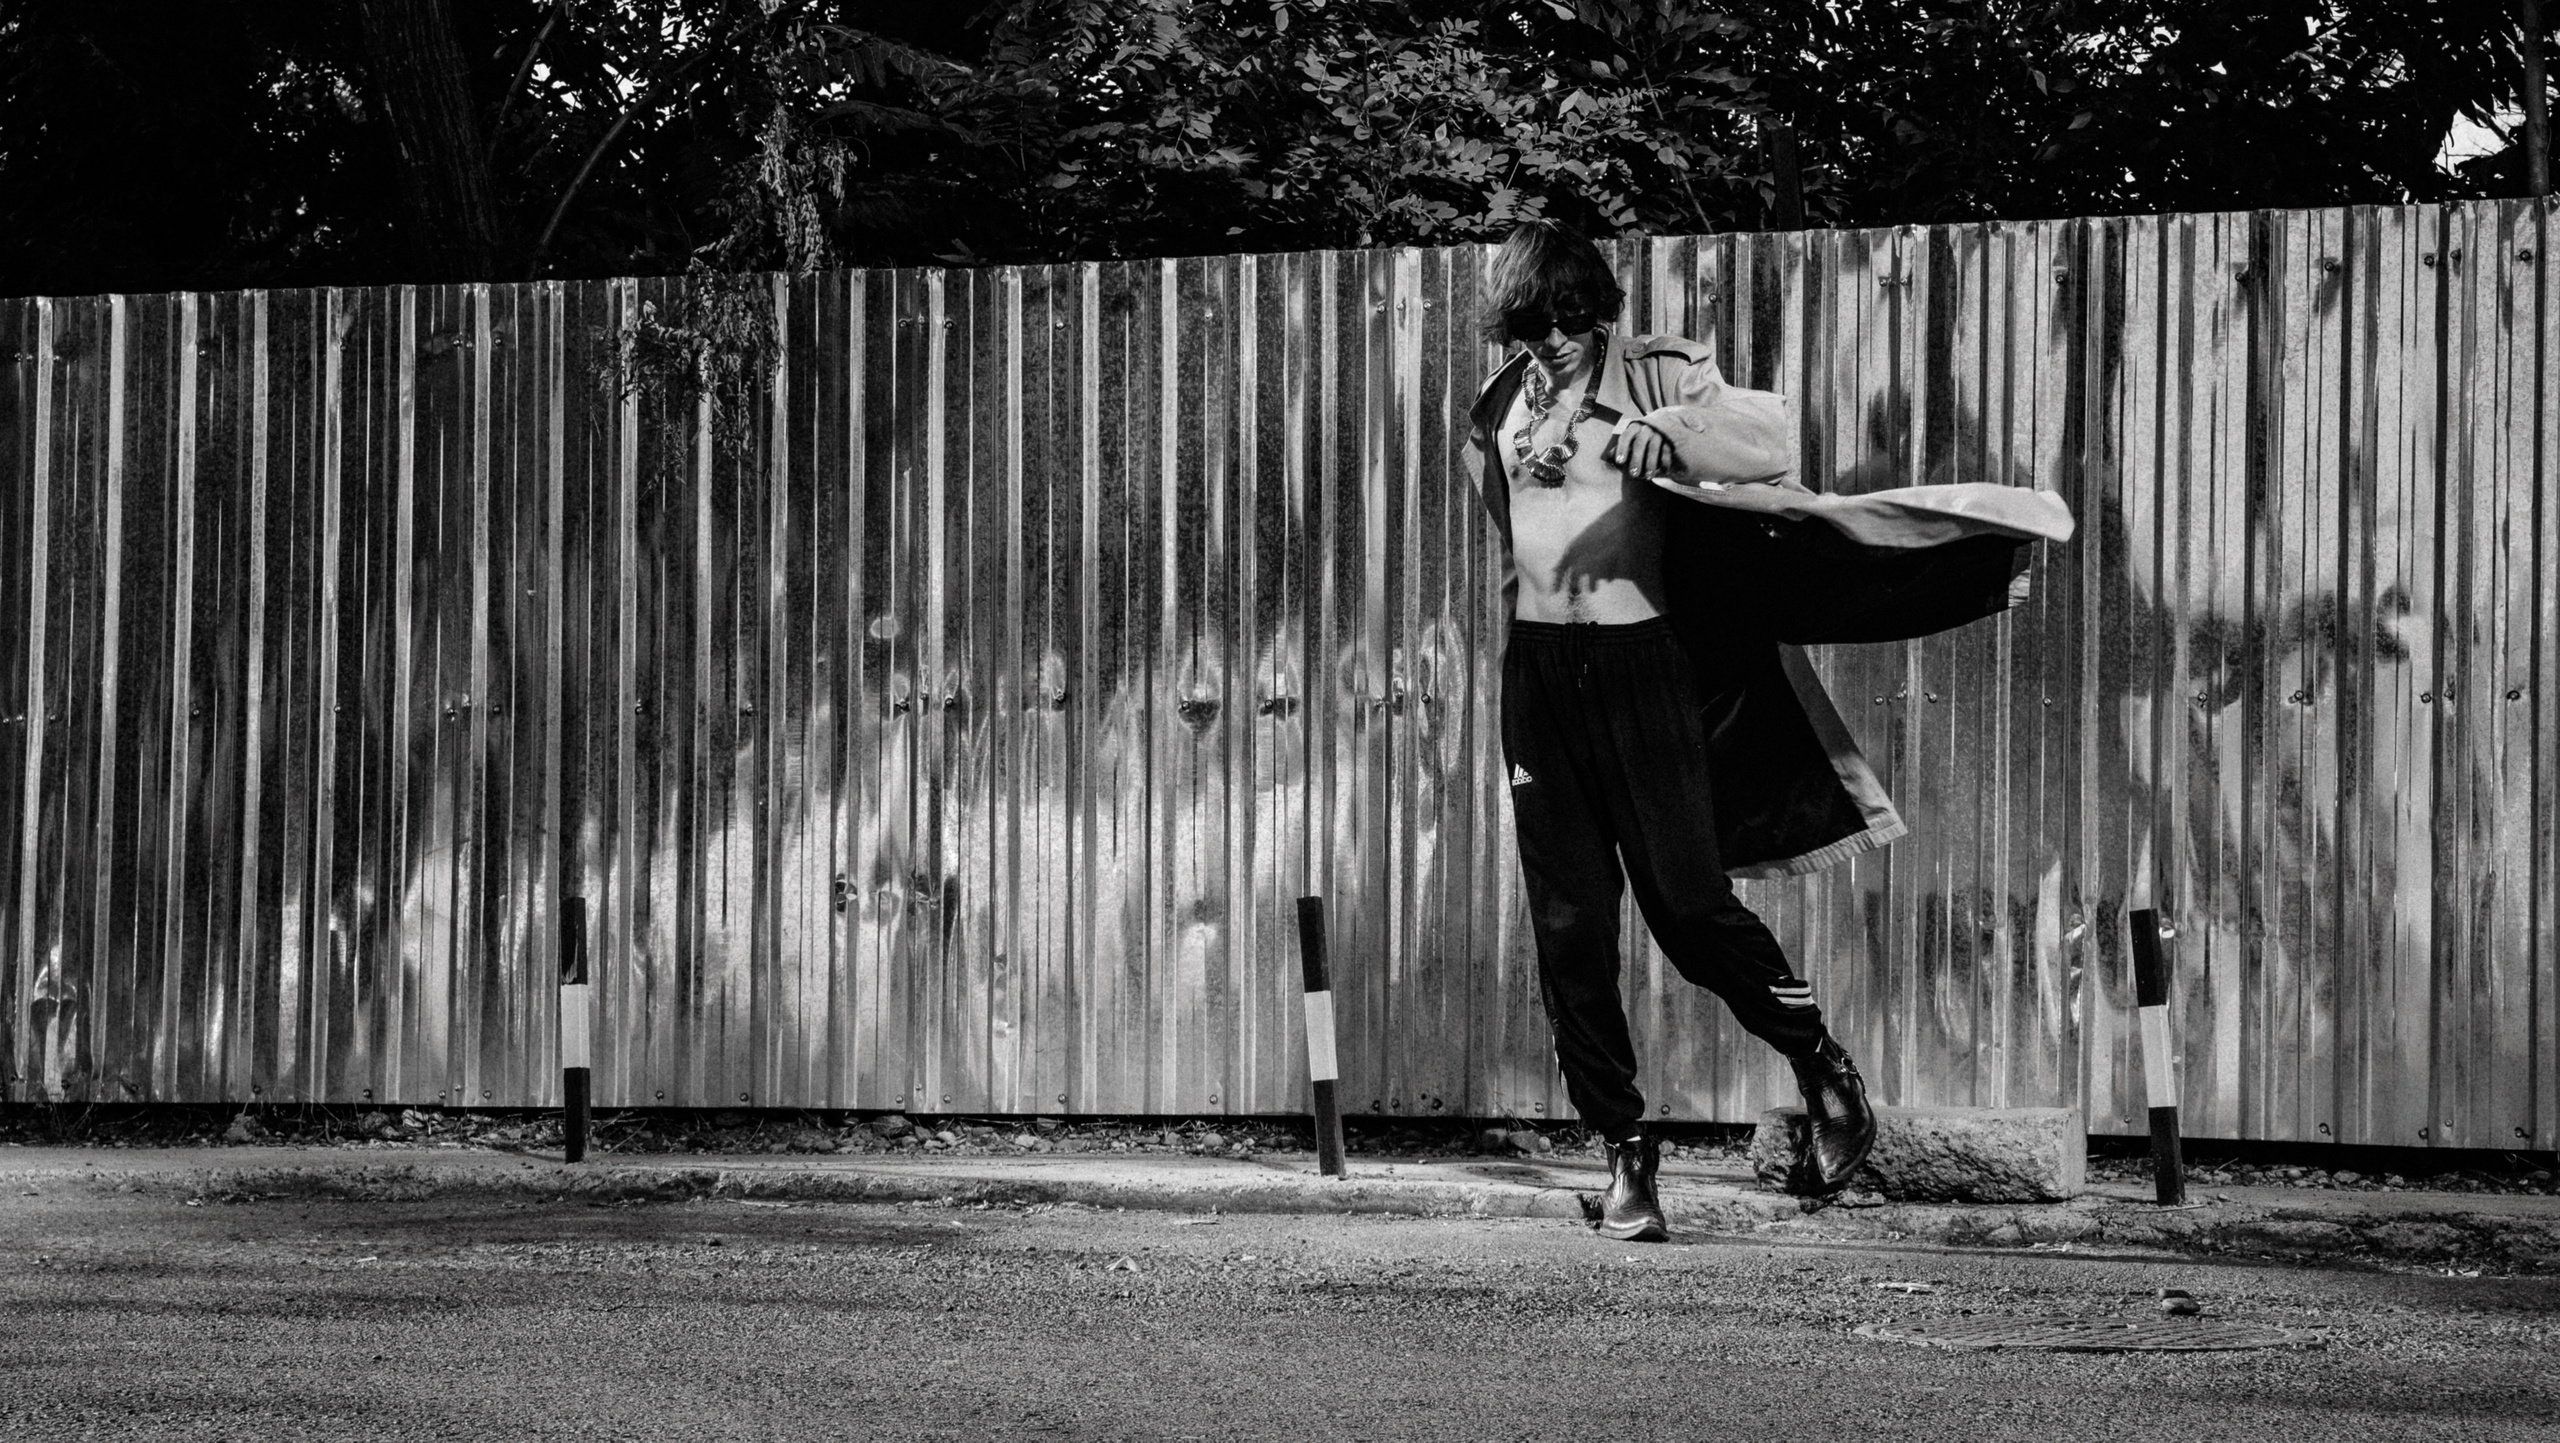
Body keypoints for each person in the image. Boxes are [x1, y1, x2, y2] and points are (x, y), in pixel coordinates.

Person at [1465, 219, 2017, 1242]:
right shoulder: (1498, 402)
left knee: (1689, 906)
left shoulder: (1659, 369)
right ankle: (1625, 1146)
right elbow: (1510, 529)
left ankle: (1814, 1055)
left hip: (1646, 670)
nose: (1550, 342)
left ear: (1599, 311)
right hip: (1540, 679)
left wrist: (1674, 435)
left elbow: (1766, 437)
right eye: (1531, 325)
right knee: (1568, 926)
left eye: (1569, 323)